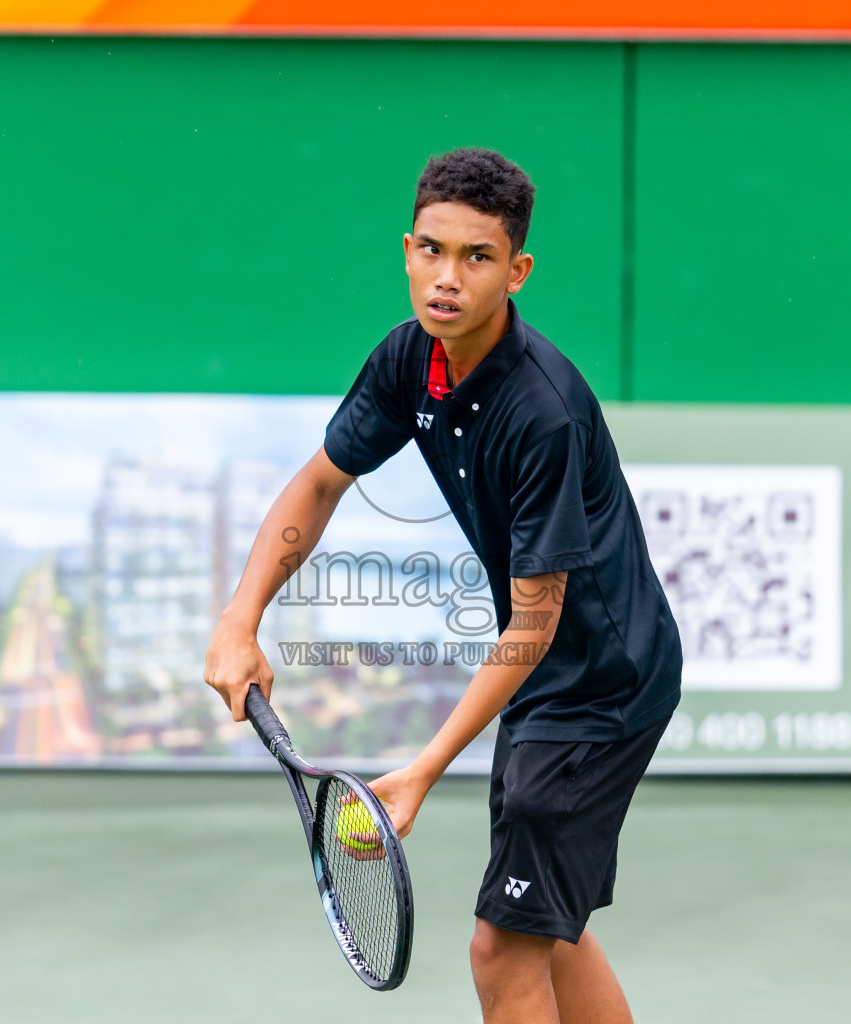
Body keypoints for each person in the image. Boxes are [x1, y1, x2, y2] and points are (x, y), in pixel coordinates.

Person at [203, 147, 682, 1024]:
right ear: (406, 249)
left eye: (477, 257)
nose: (446, 278)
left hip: (603, 683)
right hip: (549, 678)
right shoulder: (407, 362)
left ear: (518, 271)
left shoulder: (541, 412)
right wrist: (241, 619)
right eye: (430, 250)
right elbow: (317, 483)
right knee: (547, 925)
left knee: (501, 948)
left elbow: (537, 623)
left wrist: (426, 765)